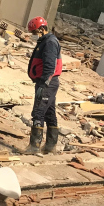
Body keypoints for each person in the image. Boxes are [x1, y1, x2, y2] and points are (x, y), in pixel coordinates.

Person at [26, 16, 62, 152]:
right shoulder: (45, 41)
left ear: (42, 29)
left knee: (38, 112)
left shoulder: (50, 42)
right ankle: (50, 146)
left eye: (35, 32)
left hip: (47, 82)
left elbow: (49, 65)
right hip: (47, 82)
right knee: (49, 113)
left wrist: (45, 84)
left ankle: (34, 147)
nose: (34, 35)